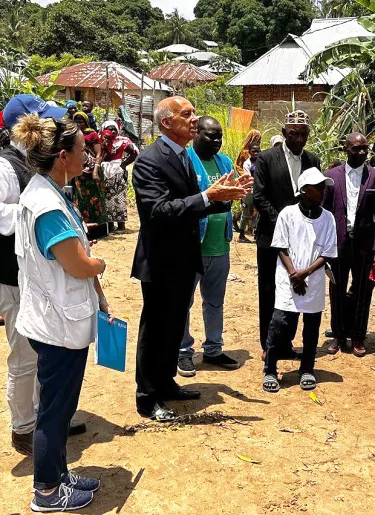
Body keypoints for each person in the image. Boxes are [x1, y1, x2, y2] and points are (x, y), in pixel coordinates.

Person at [13, 113, 111, 512]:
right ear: (61, 156)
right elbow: (77, 264)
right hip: (57, 323)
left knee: (60, 406)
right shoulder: (46, 205)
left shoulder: (48, 192)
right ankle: (47, 492)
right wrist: (98, 264)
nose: (87, 157)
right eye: (82, 150)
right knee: (55, 411)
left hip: (55, 315)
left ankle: (60, 474)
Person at [132, 96, 251, 422]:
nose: (194, 119)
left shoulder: (183, 156)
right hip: (160, 263)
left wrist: (223, 196)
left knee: (172, 328)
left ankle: (167, 382)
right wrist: (207, 196)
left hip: (186, 258)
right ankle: (147, 397)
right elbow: (158, 212)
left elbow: (192, 204)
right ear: (167, 122)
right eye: (187, 115)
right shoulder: (149, 162)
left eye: (194, 113)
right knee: (155, 331)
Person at [0, 96, 72, 457]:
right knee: (25, 355)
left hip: (36, 275)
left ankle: (49, 415)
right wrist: (38, 213)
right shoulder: (5, 166)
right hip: (13, 278)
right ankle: (24, 427)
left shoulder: (31, 164)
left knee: (45, 350)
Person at [177, 116, 242, 378]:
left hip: (219, 245)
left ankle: (213, 349)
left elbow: (233, 193)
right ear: (196, 135)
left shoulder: (225, 162)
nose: (216, 141)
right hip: (192, 246)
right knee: (184, 302)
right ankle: (183, 352)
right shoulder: (185, 161)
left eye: (219, 136)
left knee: (215, 301)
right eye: (210, 136)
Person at [253, 111, 320, 359]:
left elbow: (315, 197)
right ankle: (267, 344)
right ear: (284, 134)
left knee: (294, 289)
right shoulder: (266, 158)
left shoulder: (313, 161)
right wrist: (283, 223)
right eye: (293, 134)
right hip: (270, 237)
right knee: (269, 289)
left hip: (300, 241)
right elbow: (259, 196)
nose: (299, 139)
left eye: (303, 134)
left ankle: (286, 343)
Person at [263, 168, 337, 393]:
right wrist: (294, 273)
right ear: (304, 191)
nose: (323, 191)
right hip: (288, 277)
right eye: (318, 187)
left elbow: (327, 252)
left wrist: (305, 273)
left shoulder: (327, 218)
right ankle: (270, 369)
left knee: (312, 327)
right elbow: (281, 246)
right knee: (279, 324)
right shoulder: (288, 214)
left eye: (324, 187)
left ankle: (307, 368)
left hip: (312, 280)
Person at [323, 133, 375, 356]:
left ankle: (358, 337)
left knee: (362, 291)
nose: (361, 153)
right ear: (345, 149)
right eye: (356, 149)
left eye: (365, 149)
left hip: (364, 245)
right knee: (336, 290)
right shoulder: (331, 176)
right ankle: (339, 335)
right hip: (338, 244)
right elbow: (324, 214)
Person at [99, 120, 138, 232]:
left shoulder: (122, 141)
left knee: (119, 197)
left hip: (117, 171)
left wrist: (123, 164)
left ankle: (121, 225)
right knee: (107, 198)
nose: (112, 131)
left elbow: (134, 153)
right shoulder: (101, 140)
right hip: (104, 170)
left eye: (114, 129)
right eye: (109, 128)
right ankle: (110, 225)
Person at [70, 111, 106, 226]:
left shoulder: (92, 135)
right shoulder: (73, 135)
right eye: (77, 121)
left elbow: (98, 154)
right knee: (81, 198)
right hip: (79, 170)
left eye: (81, 121)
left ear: (86, 122)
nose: (79, 124)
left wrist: (95, 170)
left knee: (96, 197)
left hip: (92, 171)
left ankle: (99, 224)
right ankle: (84, 224)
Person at [237, 140, 260, 242]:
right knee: (246, 213)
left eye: (257, 151)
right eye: (253, 151)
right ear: (249, 152)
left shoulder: (261, 162)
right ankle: (241, 235)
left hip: (259, 191)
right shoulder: (247, 163)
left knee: (259, 212)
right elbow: (248, 178)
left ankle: (256, 234)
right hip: (249, 192)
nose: (255, 153)